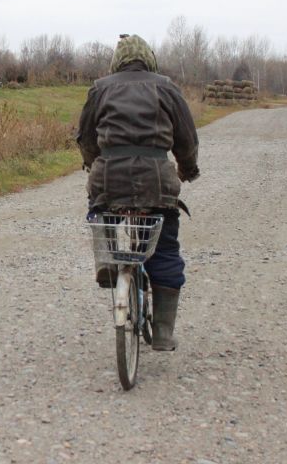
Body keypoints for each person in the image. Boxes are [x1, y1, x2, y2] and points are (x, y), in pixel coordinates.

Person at [77, 34, 200, 351]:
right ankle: (161, 333)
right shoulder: (166, 87)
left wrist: (93, 164)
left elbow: (86, 137)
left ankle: (106, 260)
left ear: (117, 62)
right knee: (166, 247)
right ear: (150, 60)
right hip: (156, 182)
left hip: (109, 180)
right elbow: (186, 139)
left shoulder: (100, 88)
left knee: (100, 209)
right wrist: (187, 169)